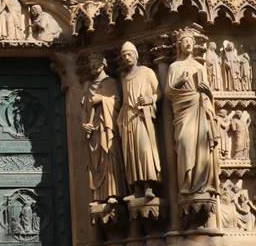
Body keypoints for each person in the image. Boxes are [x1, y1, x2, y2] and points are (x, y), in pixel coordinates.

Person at [166, 30, 220, 197]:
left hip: (200, 109)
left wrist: (207, 92)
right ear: (179, 45)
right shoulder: (174, 67)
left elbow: (208, 94)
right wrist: (181, 81)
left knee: (202, 146)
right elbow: (168, 92)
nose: (188, 44)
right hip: (183, 111)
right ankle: (186, 183)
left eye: (190, 41)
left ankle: (202, 184)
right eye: (185, 41)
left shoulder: (199, 67)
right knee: (183, 143)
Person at [117, 42, 161, 196]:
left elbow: (159, 92)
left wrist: (149, 99)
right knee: (131, 152)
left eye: (129, 54)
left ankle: (149, 185)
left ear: (136, 55)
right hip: (129, 118)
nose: (127, 58)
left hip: (143, 117)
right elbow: (123, 101)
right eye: (124, 56)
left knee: (144, 150)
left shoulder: (147, 72)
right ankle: (136, 187)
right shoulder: (124, 78)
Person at [82, 53, 122, 203]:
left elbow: (118, 103)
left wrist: (103, 99)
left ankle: (112, 193)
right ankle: (98, 195)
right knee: (95, 161)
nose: (92, 65)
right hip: (93, 130)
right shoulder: (87, 86)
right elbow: (84, 110)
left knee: (109, 156)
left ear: (104, 62)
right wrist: (85, 124)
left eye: (95, 60)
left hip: (107, 127)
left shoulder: (111, 82)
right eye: (90, 62)